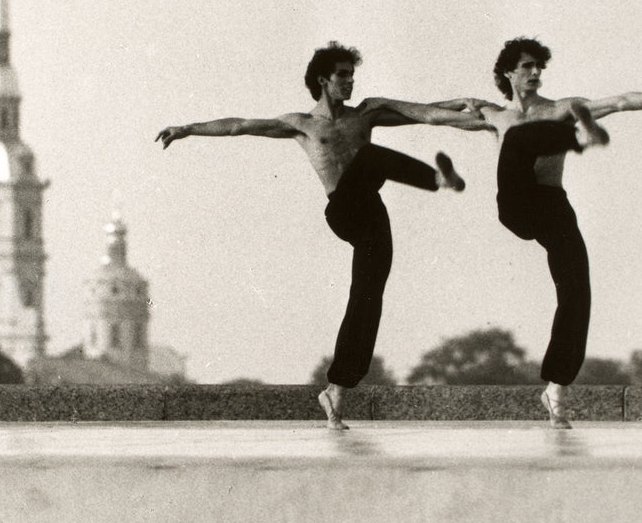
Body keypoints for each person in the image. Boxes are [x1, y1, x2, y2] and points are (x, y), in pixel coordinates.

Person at [156, 41, 493, 429]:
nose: (350, 83)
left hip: (372, 216)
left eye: (353, 75)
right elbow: (240, 126)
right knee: (368, 158)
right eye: (343, 76)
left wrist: (473, 112)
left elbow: (425, 115)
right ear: (323, 80)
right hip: (343, 210)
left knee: (367, 298)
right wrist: (188, 129)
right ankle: (435, 179)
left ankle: (337, 389)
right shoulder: (302, 125)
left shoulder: (367, 112)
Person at [438, 37, 642, 428]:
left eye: (539, 68)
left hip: (552, 205)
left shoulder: (561, 108)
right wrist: (456, 101)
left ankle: (556, 388)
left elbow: (619, 101)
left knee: (577, 288)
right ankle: (577, 139)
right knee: (515, 137)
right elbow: (427, 116)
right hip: (516, 203)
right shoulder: (494, 114)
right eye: (527, 67)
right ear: (508, 73)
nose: (535, 74)